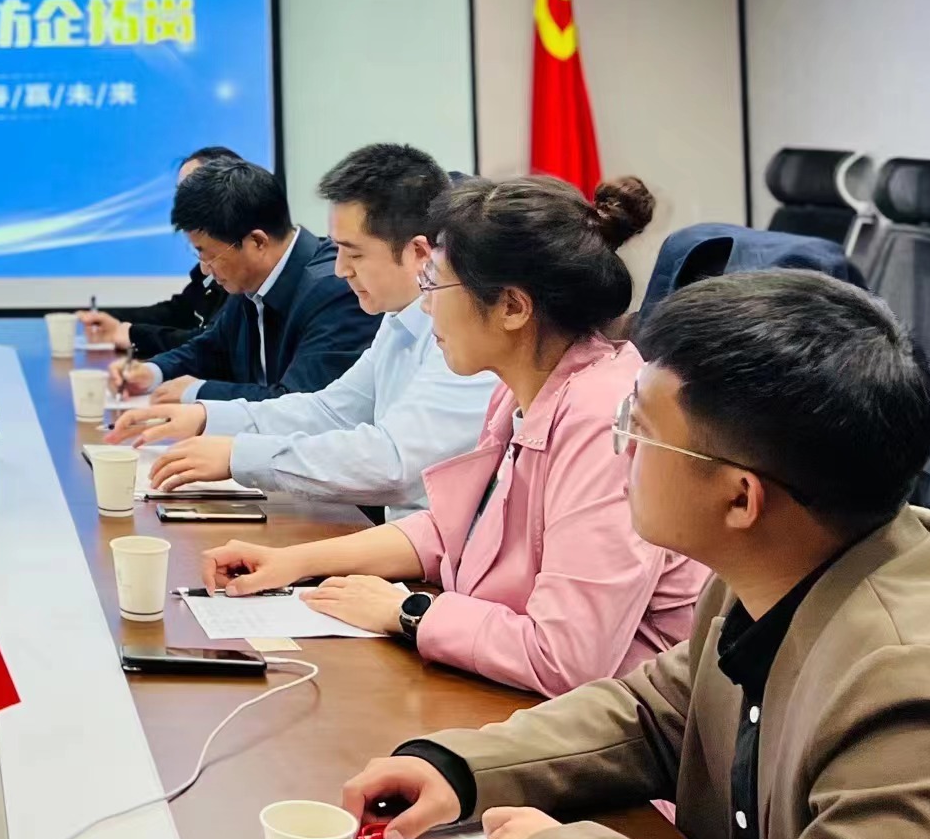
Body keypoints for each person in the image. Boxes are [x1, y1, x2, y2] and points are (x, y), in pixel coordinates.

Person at [343, 271, 930, 839]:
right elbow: (660, 713)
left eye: (638, 430)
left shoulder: (926, 703)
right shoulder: (782, 567)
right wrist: (459, 768)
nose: (620, 452)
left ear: (740, 498)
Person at [197, 175, 706, 696]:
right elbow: (453, 532)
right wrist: (295, 563)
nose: (425, 307)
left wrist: (409, 612)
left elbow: (566, 656)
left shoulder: (602, 421)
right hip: (529, 694)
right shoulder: (523, 389)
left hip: (625, 718)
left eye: (434, 285)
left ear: (512, 307)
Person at [108, 144, 495, 515]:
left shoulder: (466, 332)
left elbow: (395, 463)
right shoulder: (398, 317)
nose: (341, 269)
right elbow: (330, 410)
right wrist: (208, 417)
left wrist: (240, 455)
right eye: (338, 249)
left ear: (419, 253)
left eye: (354, 253)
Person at [109, 156, 378, 405]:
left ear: (257, 242)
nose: (205, 268)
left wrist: (197, 392)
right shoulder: (250, 280)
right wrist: (153, 372)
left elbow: (302, 404)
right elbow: (212, 347)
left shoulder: (334, 290)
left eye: (210, 255)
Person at [76, 145, 241, 356]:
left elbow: (212, 344)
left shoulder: (240, 271)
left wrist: (133, 335)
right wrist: (115, 320)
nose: (181, 202)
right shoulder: (206, 268)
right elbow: (178, 312)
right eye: (180, 192)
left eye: (190, 191)